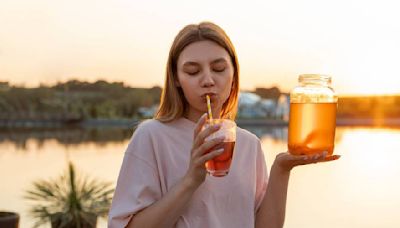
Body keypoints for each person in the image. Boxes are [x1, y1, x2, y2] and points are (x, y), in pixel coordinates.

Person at [108, 21, 340, 228]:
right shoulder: (152, 136)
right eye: (192, 71)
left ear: (233, 74)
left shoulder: (249, 144)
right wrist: (191, 180)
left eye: (219, 69)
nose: (208, 80)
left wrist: (281, 168)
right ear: (176, 78)